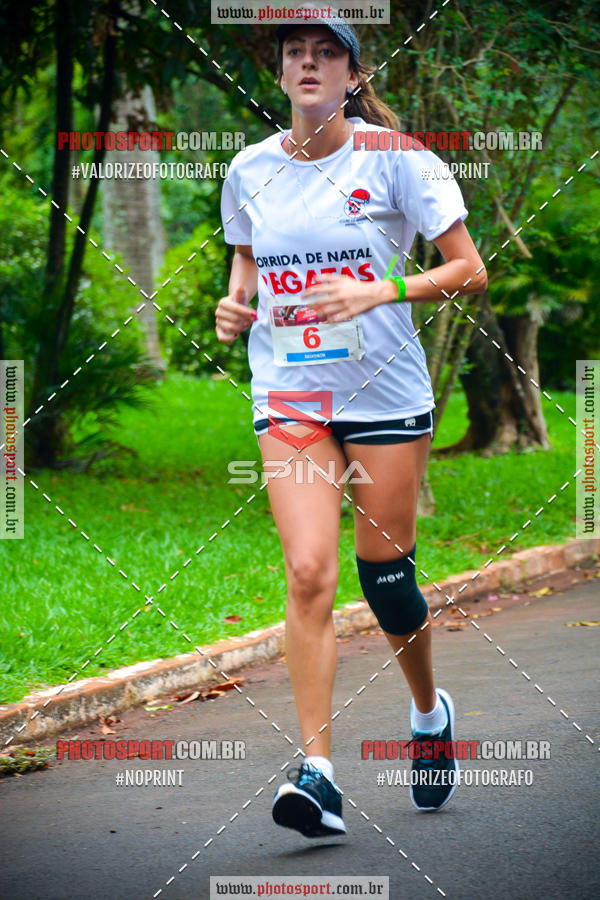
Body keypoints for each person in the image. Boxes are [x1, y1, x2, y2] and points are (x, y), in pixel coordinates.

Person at [217, 16, 487, 837]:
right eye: (295, 51)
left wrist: (380, 292)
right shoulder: (249, 169)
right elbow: (249, 271)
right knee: (307, 573)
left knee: (387, 577)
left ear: (351, 73)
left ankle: (428, 711)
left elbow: (469, 270)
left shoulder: (397, 160)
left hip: (384, 395)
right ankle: (319, 773)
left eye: (326, 51)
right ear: (281, 71)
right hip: (291, 395)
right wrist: (233, 308)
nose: (309, 62)